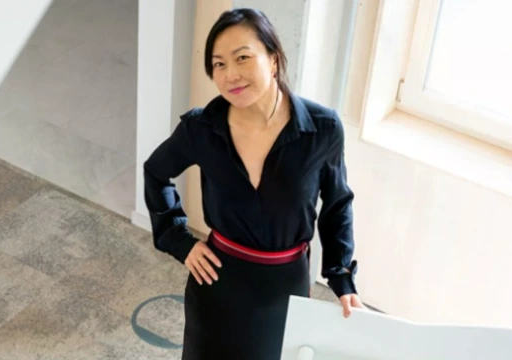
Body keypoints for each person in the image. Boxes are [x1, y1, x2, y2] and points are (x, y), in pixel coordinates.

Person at [143, 7, 363, 360]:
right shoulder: (202, 129)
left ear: (273, 59)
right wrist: (178, 239)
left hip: (285, 288)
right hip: (216, 283)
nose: (231, 75)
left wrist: (341, 277)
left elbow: (337, 205)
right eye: (218, 64)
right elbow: (156, 173)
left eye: (242, 58)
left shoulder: (322, 129)